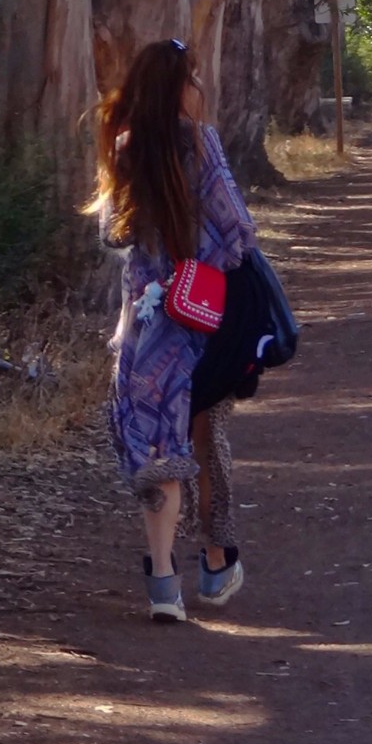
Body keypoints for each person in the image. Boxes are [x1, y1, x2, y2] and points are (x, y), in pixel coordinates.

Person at [93, 38, 256, 622]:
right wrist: (208, 257)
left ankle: (164, 582)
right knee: (206, 438)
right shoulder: (201, 143)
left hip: (144, 324)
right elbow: (237, 226)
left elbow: (113, 234)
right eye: (194, 78)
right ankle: (216, 564)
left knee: (156, 446)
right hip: (200, 317)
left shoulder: (125, 149)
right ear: (180, 86)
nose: (199, 88)